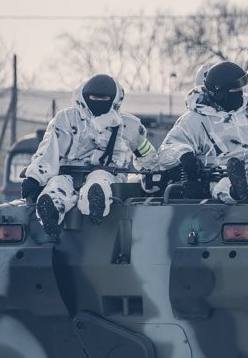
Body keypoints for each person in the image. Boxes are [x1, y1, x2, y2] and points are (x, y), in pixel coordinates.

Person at [21, 74, 158, 236]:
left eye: (104, 98)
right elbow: (48, 151)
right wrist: (34, 177)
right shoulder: (66, 120)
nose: (98, 101)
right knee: (56, 186)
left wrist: (153, 174)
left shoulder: (129, 126)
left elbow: (147, 154)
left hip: (108, 174)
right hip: (67, 173)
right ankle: (50, 210)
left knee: (100, 181)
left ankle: (94, 203)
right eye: (94, 97)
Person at [158, 61, 248, 204]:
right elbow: (165, 151)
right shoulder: (193, 119)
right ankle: (237, 193)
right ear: (219, 93)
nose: (240, 95)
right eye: (235, 91)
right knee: (222, 185)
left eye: (241, 90)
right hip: (220, 174)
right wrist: (184, 155)